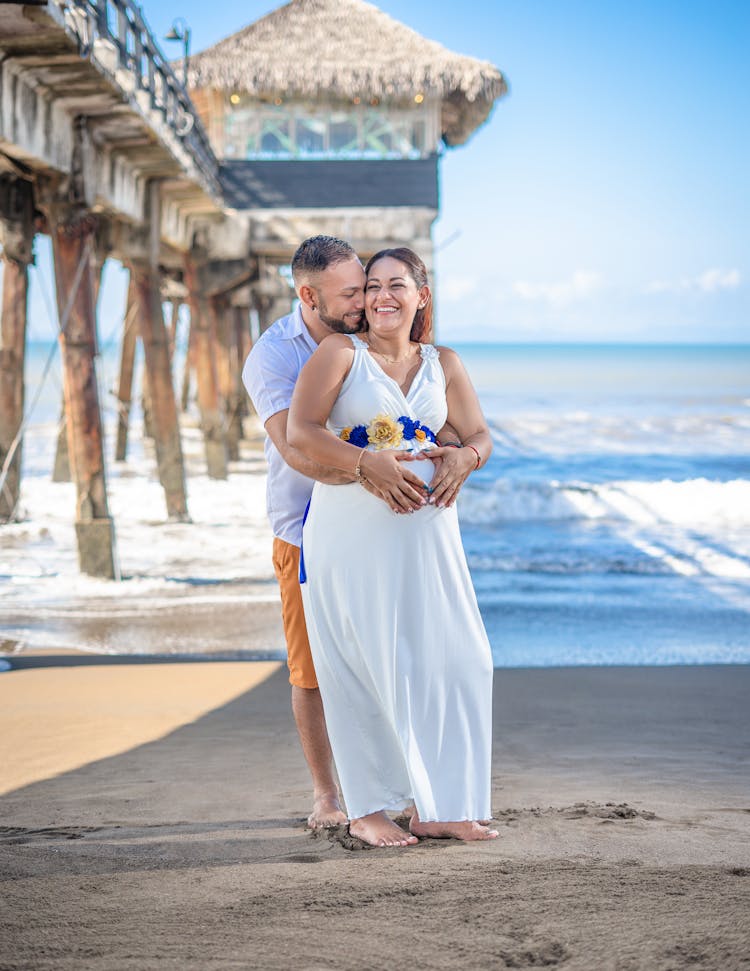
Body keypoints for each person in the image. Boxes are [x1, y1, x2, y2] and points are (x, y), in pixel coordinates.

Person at [287, 247, 497, 847]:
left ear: (421, 296)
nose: (381, 296)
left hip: (431, 536)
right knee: (362, 662)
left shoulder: (443, 363)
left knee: (457, 658)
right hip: (352, 531)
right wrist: (364, 464)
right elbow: (301, 430)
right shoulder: (340, 354)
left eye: (396, 285)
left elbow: (480, 433)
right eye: (371, 286)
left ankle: (443, 806)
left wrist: (466, 456)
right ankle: (369, 809)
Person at [241, 236, 430, 829]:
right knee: (312, 667)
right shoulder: (273, 357)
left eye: (370, 286)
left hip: (387, 526)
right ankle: (327, 794)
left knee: (388, 656)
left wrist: (456, 456)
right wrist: (367, 471)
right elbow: (296, 451)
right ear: (308, 295)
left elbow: (419, 419)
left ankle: (403, 785)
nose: (364, 302)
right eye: (351, 293)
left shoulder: (379, 338)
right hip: (303, 531)